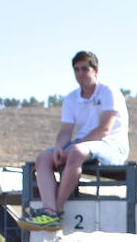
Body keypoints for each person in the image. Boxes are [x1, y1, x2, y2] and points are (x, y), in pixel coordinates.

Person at [19, 51, 129, 231]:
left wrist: (74, 147)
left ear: (95, 70)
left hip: (111, 146)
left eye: (84, 69)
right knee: (44, 159)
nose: (80, 74)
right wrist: (59, 148)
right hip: (83, 144)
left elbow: (104, 129)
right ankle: (48, 209)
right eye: (76, 70)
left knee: (76, 152)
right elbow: (65, 130)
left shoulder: (109, 92)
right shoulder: (71, 98)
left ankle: (56, 211)